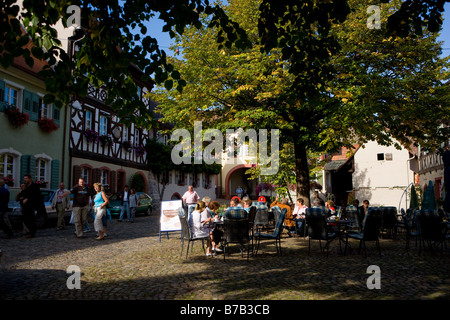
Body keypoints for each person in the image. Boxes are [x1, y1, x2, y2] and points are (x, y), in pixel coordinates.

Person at [21, 174, 43, 238]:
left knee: (31, 219)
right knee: (25, 219)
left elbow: (36, 195)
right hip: (26, 206)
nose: (25, 180)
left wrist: (27, 199)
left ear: (30, 179)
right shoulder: (26, 186)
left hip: (32, 206)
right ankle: (30, 231)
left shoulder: (34, 186)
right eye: (24, 178)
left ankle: (32, 232)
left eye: (26, 178)